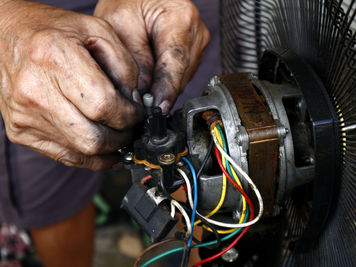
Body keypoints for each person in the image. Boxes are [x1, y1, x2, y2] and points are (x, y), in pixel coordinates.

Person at [0, 0, 215, 266]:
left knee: (205, 161)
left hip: (169, 10)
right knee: (50, 198)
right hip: (29, 20)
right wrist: (7, 25)